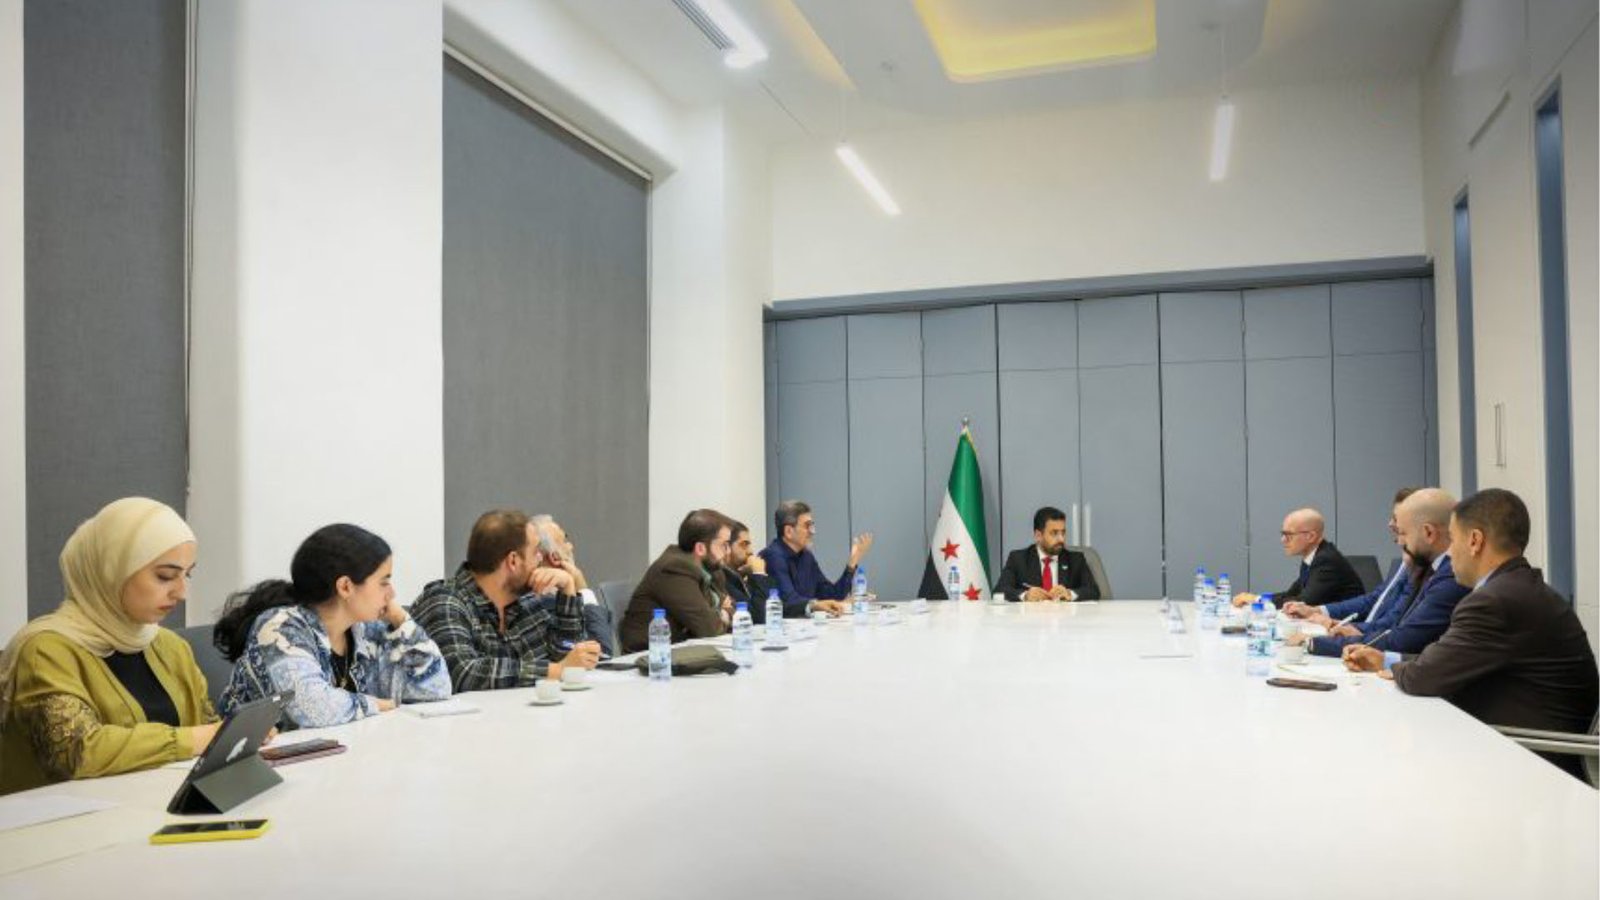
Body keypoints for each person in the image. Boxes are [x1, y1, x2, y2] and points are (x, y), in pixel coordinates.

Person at [1344, 489, 1599, 779]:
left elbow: (1423, 677)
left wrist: (1397, 668)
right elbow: (1445, 661)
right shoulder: (1519, 588)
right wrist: (1386, 661)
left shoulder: (1495, 601)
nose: (1450, 552)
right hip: (1527, 746)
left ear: (1475, 541)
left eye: (1453, 540)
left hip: (1532, 763)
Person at [0, 498, 222, 795]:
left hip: (157, 804)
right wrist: (189, 740)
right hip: (67, 817)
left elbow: (210, 730)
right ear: (112, 570)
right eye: (165, 576)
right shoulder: (45, 650)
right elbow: (76, 751)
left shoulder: (171, 647)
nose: (182, 592)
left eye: (187, 574)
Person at [215, 524, 451, 728]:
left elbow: (435, 689)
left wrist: (401, 621)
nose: (392, 594)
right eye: (383, 582)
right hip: (262, 762)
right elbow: (313, 708)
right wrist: (375, 705)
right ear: (345, 587)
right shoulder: (281, 628)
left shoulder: (367, 631)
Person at [411, 510, 601, 691]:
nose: (540, 559)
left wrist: (568, 589)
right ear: (513, 561)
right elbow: (463, 672)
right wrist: (557, 670)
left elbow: (565, 654)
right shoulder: (445, 601)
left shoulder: (526, 602)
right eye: (536, 552)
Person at [1289, 489, 1468, 658]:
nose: (1400, 542)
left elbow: (1404, 639)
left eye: (1403, 533)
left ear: (1429, 533)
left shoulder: (1451, 576)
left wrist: (1315, 643)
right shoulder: (1434, 568)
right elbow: (1398, 625)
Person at [1284, 487, 1416, 628]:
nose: (1390, 523)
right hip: (1363, 631)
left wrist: (1336, 626)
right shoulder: (1402, 564)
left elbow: (1393, 626)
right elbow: (1373, 600)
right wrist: (1318, 611)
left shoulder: (1422, 571)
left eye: (1396, 519)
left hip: (1369, 635)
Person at [620, 510, 733, 652]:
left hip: (683, 650)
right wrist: (722, 613)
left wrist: (722, 613)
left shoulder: (711, 568)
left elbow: (735, 608)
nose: (728, 551)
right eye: (724, 545)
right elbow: (709, 628)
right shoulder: (675, 568)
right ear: (700, 548)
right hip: (651, 656)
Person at [1232, 507, 1364, 608]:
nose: (1283, 540)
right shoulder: (1313, 556)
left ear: (1311, 537)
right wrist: (1256, 598)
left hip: (1349, 628)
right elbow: (1291, 594)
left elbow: (1303, 603)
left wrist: (1257, 600)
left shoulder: (1326, 560)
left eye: (1288, 535)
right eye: (1283, 534)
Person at [759, 500, 870, 615]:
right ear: (788, 531)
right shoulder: (773, 557)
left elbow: (832, 594)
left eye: (812, 525)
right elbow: (789, 600)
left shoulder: (806, 556)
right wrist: (815, 605)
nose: (813, 531)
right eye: (807, 526)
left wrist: (852, 562)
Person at [528, 514, 615, 657]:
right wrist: (583, 588)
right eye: (565, 540)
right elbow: (601, 653)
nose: (571, 546)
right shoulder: (547, 602)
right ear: (555, 557)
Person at [992, 506, 1100, 602]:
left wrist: (1069, 594)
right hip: (1031, 617)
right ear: (1038, 535)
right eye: (1054, 533)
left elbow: (1093, 591)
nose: (1061, 539)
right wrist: (1025, 595)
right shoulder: (1018, 559)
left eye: (1063, 532)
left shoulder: (1076, 560)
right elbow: (1000, 591)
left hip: (1065, 617)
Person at [719, 520, 783, 624]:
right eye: (744, 545)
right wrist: (759, 575)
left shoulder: (743, 575)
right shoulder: (722, 578)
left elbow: (776, 605)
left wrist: (756, 576)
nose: (750, 551)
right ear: (727, 547)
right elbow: (760, 618)